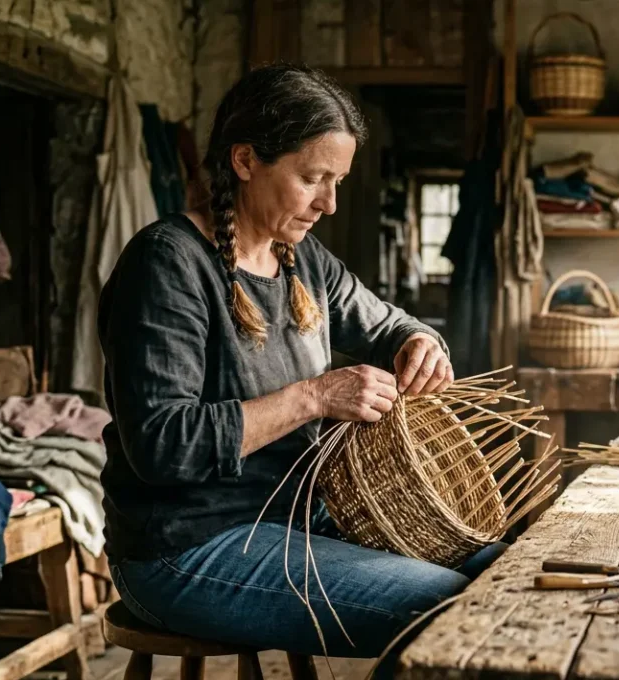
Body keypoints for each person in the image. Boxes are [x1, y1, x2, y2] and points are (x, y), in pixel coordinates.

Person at [98, 64, 504, 671]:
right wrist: (314, 396)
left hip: (296, 520)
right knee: (459, 607)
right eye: (312, 177)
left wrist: (421, 341)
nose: (329, 202)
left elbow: (386, 322)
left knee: (498, 564)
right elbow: (162, 445)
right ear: (244, 161)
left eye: (337, 180)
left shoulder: (303, 260)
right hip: (186, 546)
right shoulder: (169, 264)